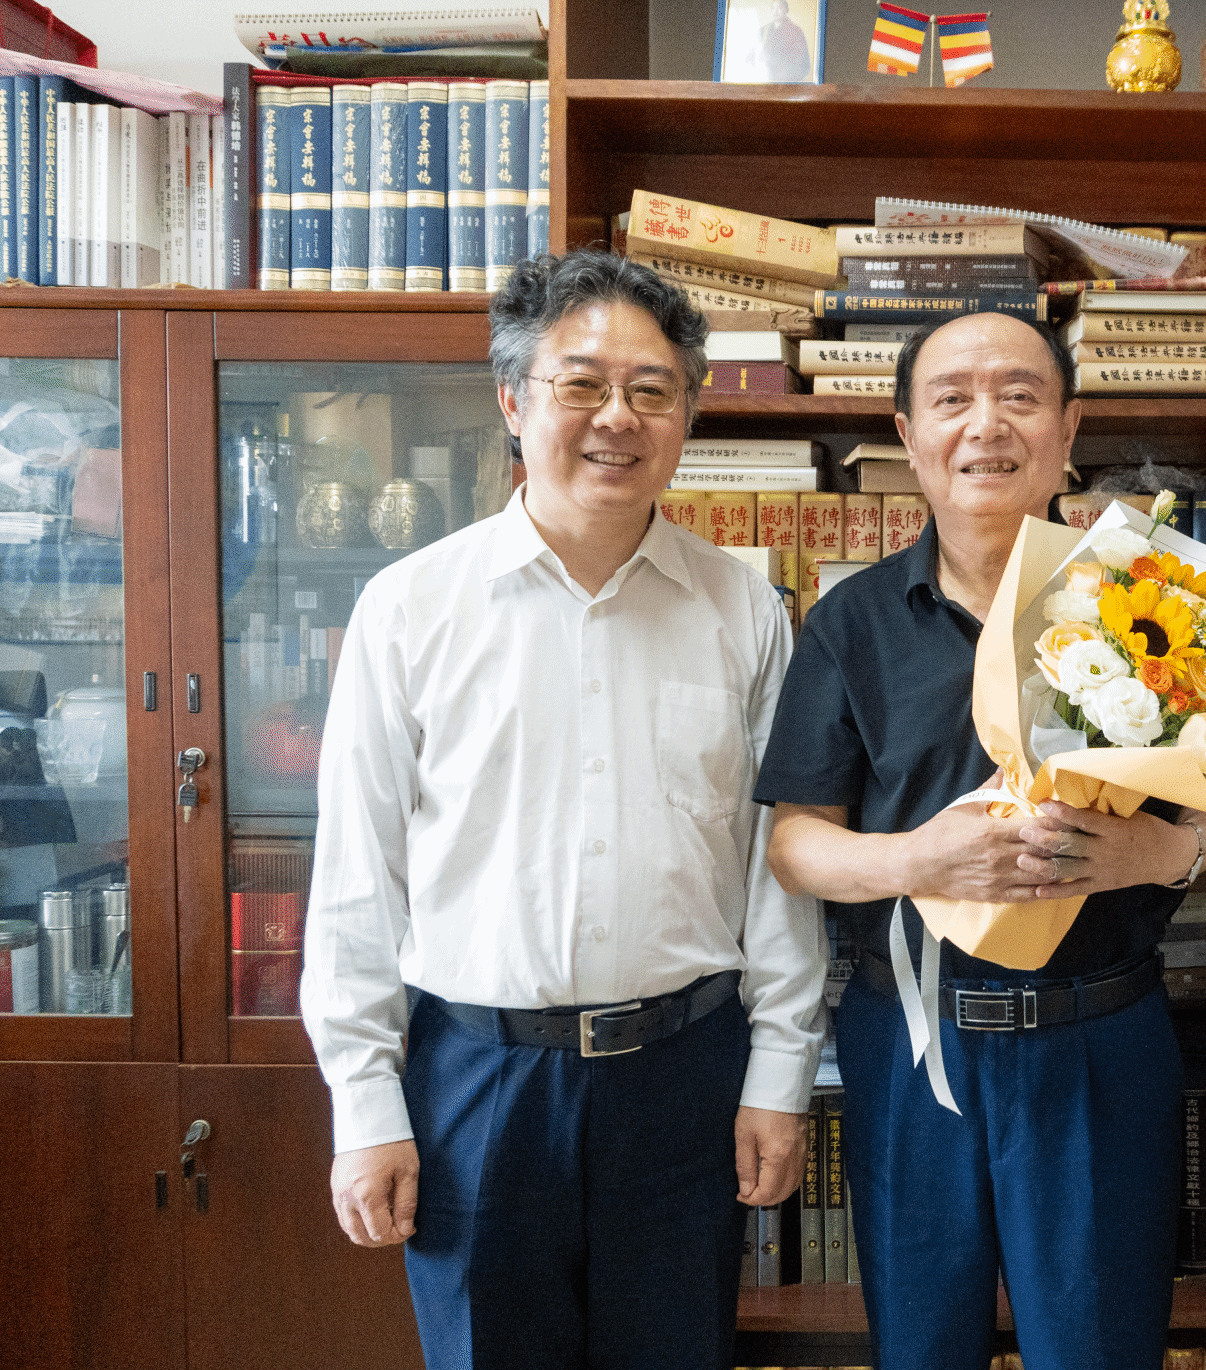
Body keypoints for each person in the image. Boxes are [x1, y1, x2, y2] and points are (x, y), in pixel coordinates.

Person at [300, 250, 825, 1370]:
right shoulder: (410, 608)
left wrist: (780, 1075)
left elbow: (773, 868)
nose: (617, 418)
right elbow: (356, 878)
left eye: (651, 389)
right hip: (475, 1080)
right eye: (580, 383)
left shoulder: (744, 608)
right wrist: (365, 1103)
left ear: (688, 413)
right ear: (513, 399)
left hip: (684, 1078)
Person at [755, 312, 1206, 1370]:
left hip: (1099, 1034)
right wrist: (916, 861)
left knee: (1099, 1347)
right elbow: (795, 844)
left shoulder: (1159, 601)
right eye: (953, 399)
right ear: (908, 435)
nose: (986, 424)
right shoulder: (852, 621)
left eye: (1020, 396)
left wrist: (1162, 857)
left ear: (1068, 429)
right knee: (920, 1344)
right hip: (913, 1039)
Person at [760, 0, 813, 82]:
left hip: (785, 81)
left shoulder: (795, 31)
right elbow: (753, 55)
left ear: (786, 10)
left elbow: (802, 62)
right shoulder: (764, 30)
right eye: (773, 8)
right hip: (765, 79)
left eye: (779, 8)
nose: (775, 11)